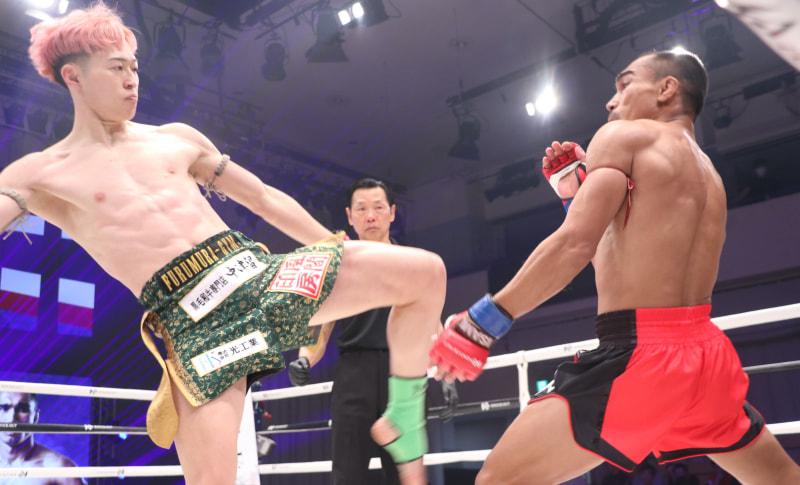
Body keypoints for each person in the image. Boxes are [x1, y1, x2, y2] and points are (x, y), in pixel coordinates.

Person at [0, 4, 446, 484]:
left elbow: (262, 197)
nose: (132, 80)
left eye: (134, 67)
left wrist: (335, 248)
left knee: (425, 272)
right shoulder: (41, 172)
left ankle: (403, 416)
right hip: (193, 323)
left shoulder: (175, 139)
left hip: (256, 274)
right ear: (74, 76)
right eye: (116, 68)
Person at [429, 48, 800, 484]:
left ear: (666, 89)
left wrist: (481, 323)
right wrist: (577, 198)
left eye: (624, 84)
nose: (611, 101)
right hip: (705, 355)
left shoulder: (623, 137)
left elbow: (574, 245)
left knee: (497, 479)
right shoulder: (708, 173)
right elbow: (622, 253)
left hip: (643, 356)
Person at [287, 178, 458, 485]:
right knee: (347, 473)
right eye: (362, 209)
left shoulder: (413, 264)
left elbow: (432, 320)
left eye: (378, 208)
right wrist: (305, 358)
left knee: (404, 472)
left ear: (392, 213)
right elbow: (320, 323)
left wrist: (447, 374)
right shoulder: (336, 266)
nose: (370, 216)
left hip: (405, 373)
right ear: (349, 216)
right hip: (354, 374)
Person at [0, 392, 85, 485]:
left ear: (35, 417)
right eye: (4, 407)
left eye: (23, 409)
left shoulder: (59, 468)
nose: (11, 418)